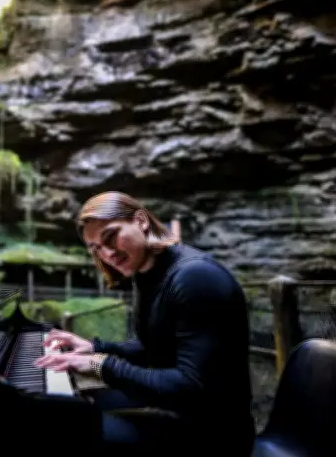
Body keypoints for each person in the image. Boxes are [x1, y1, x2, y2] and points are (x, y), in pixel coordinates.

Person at [34, 191, 255, 454]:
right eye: (96, 249)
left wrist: (102, 365)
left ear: (141, 221)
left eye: (111, 236)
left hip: (215, 435)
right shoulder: (149, 272)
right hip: (182, 413)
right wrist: (94, 348)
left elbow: (192, 387)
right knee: (68, 409)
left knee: (69, 429)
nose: (107, 254)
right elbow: (151, 347)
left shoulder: (195, 277)